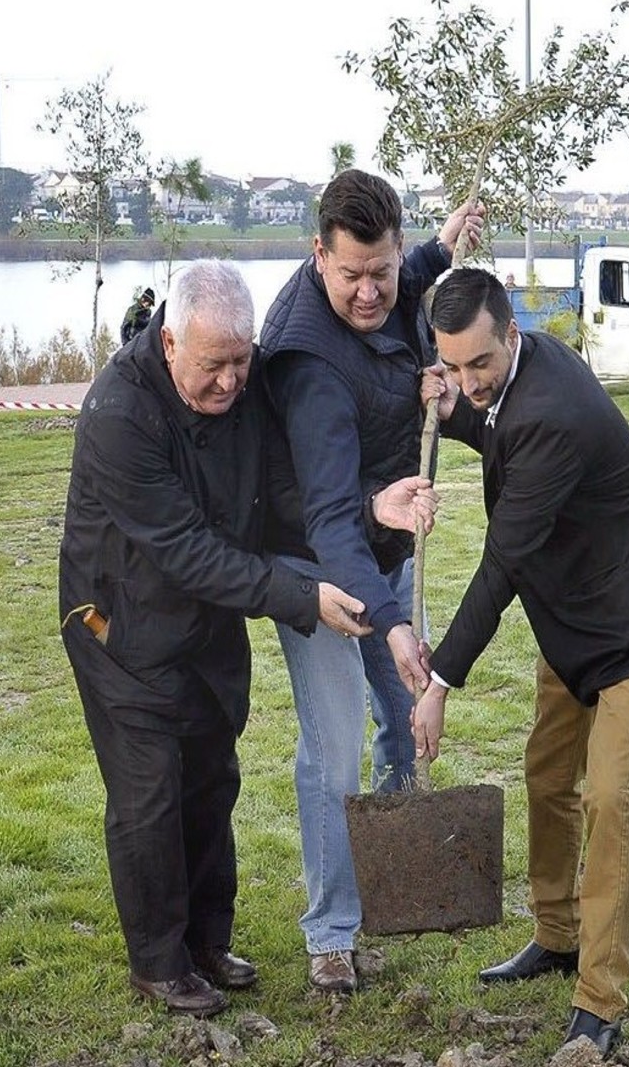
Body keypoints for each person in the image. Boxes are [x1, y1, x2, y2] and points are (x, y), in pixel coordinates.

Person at [60, 260, 424, 1017]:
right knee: (149, 792)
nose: (230, 382)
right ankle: (159, 960)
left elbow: (281, 496)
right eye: (212, 365)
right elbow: (185, 548)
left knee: (210, 775)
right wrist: (302, 595)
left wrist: (366, 509)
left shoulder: (244, 388)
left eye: (240, 360)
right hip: (119, 622)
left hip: (207, 618)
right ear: (168, 344)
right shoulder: (119, 413)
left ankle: (206, 942)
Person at [411, 267, 629, 1056]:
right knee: (547, 771)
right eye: (454, 365)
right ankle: (556, 932)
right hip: (572, 618)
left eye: (479, 365)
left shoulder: (555, 412)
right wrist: (454, 409)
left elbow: (501, 563)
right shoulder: (521, 368)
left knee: (610, 796)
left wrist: (439, 678)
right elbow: (497, 421)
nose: (468, 380)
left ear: (512, 333)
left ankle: (600, 997)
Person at [258, 169, 482, 992]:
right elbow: (328, 525)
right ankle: (332, 931)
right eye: (350, 275)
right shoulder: (309, 363)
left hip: (377, 537)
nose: (369, 292)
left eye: (380, 271)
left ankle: (389, 871)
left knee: (402, 711)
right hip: (314, 560)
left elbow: (415, 273)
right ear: (319, 255)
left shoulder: (393, 274)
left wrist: (439, 243)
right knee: (335, 745)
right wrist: (392, 625)